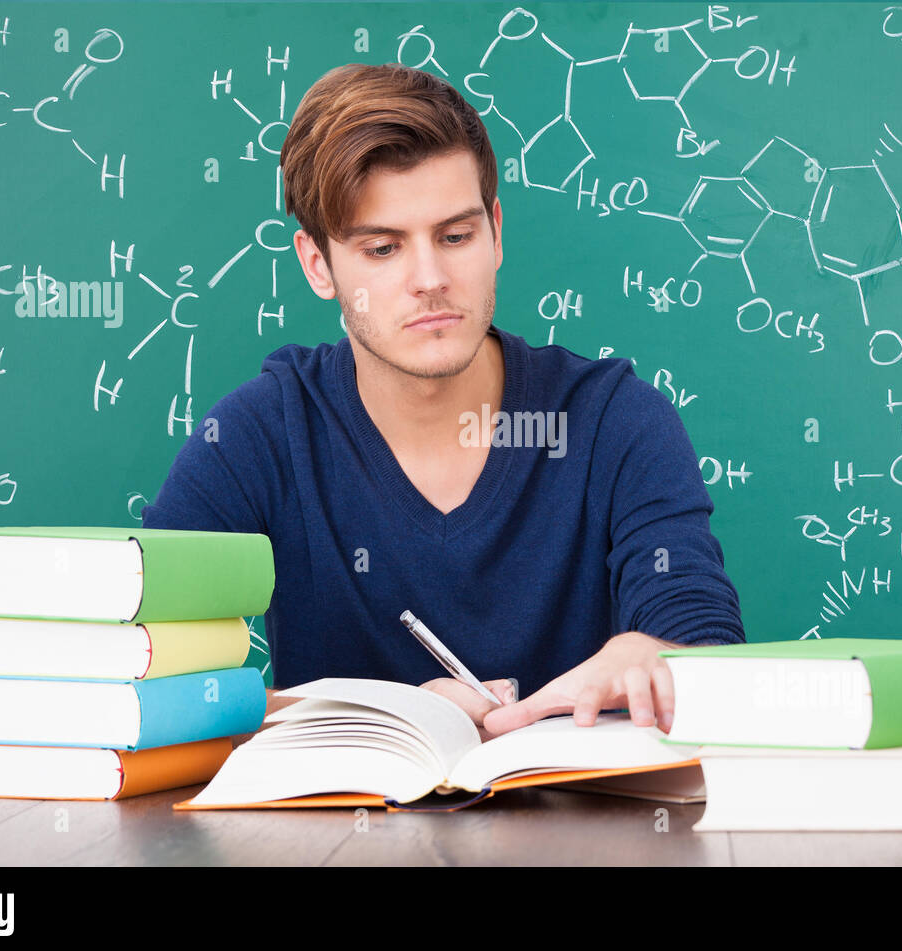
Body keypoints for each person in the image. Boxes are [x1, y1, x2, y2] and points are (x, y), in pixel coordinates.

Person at [140, 63, 745, 741]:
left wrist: (657, 655)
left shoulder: (614, 421)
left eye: (455, 237)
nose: (429, 280)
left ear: (495, 233)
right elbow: (141, 674)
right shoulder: (259, 436)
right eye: (382, 248)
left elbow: (702, 639)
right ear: (318, 265)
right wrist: (384, 714)